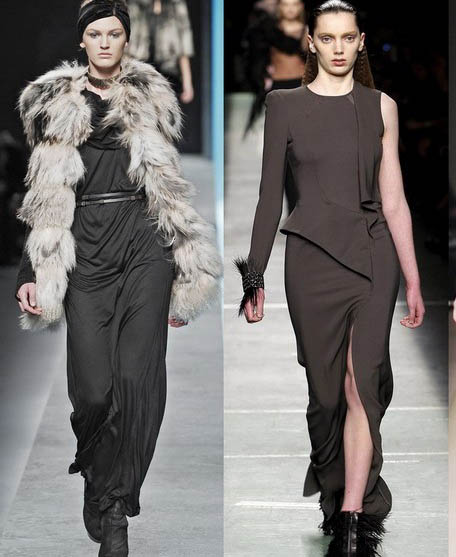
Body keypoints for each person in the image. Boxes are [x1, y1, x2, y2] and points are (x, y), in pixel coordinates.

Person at [14, 1, 222, 554]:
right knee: (93, 391)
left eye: (114, 33)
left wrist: (186, 265)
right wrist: (31, 270)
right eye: (95, 34)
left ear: (126, 39)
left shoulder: (150, 94)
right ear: (81, 42)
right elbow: (42, 192)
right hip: (85, 249)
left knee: (138, 379)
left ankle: (115, 508)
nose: (105, 42)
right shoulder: (52, 100)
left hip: (143, 241)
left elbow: (169, 185)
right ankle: (97, 475)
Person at [234, 1, 425, 555]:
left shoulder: (380, 106)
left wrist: (413, 279)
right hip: (311, 259)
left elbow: (394, 199)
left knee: (360, 383)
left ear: (360, 41)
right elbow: (269, 196)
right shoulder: (284, 105)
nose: (338, 48)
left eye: (347, 38)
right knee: (324, 396)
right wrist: (254, 273)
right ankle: (335, 485)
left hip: (373, 254)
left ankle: (352, 519)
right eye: (327, 38)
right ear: (311, 43)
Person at [243, 0, 308, 214]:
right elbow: (256, 57)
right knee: (284, 153)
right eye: (285, 4)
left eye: (294, 4)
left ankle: (307, 206)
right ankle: (293, 209)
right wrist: (262, 76)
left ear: (301, 6)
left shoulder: (308, 30)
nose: (290, 9)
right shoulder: (267, 29)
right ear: (279, 7)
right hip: (278, 90)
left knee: (305, 151)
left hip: (303, 89)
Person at [127, 0, 195, 104]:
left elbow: (184, 46)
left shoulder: (176, 4)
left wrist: (187, 84)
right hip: (140, 72)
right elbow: (128, 45)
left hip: (169, 75)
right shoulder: (135, 4)